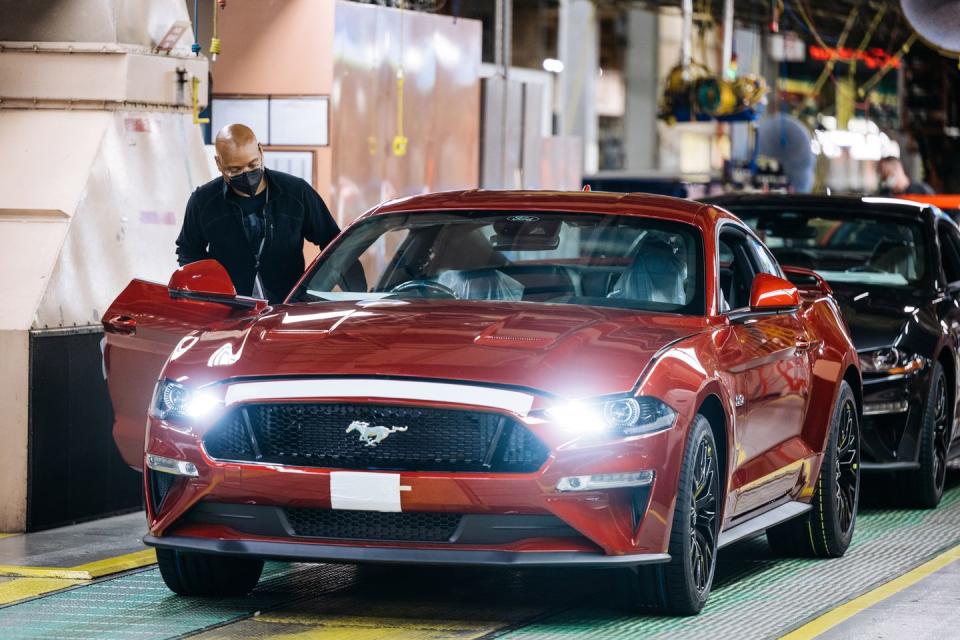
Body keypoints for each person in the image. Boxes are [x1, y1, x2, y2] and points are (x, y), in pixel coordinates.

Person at [176, 124, 340, 303]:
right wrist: (209, 290)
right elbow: (188, 249)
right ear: (218, 163)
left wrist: (316, 287)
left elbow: (335, 244)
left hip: (287, 309)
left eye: (253, 165)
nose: (246, 174)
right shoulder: (203, 202)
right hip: (228, 310)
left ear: (261, 151)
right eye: (235, 170)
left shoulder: (297, 193)